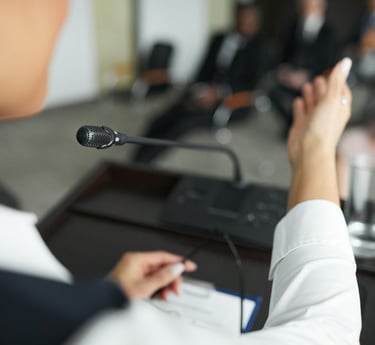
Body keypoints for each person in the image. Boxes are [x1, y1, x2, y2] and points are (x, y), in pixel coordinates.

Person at [0, 1, 361, 345]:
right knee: (167, 120)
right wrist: (316, 146)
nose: (62, 11)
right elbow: (330, 334)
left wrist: (101, 295)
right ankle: (140, 164)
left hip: (232, 103)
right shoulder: (66, 321)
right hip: (213, 98)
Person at [133, 2, 270, 163]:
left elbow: (251, 85)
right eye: (244, 17)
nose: (248, 22)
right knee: (159, 119)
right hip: (202, 94)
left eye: (251, 18)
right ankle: (134, 161)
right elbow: (203, 70)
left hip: (231, 103)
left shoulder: (260, 48)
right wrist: (200, 91)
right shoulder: (219, 38)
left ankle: (143, 164)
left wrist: (219, 94)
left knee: (180, 125)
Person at [269, 0, 342, 134]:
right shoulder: (293, 27)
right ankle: (292, 124)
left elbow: (329, 63)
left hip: (313, 79)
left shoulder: (330, 34)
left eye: (312, 6)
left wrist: (306, 76)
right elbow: (284, 54)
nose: (307, 9)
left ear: (321, 7)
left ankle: (300, 126)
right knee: (272, 91)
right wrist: (284, 70)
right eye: (305, 5)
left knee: (308, 98)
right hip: (290, 75)